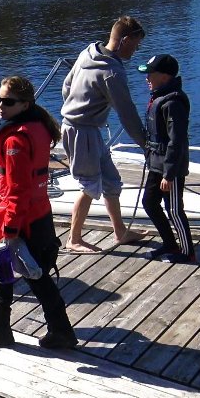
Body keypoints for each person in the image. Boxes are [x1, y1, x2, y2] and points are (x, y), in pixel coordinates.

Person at [0, 76, 78, 350]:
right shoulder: (38, 127)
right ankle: (59, 331)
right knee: (36, 275)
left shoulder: (14, 139)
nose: (0, 107)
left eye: (8, 102)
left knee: (5, 273)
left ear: (25, 104)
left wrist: (10, 229)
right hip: (40, 214)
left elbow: (18, 188)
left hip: (20, 218)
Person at [60, 15, 150, 254]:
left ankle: (120, 232)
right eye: (136, 43)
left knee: (110, 181)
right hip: (82, 132)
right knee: (89, 185)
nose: (137, 49)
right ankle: (74, 238)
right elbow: (126, 112)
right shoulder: (111, 73)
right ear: (124, 40)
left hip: (83, 128)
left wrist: (74, 108)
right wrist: (145, 144)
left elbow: (66, 86)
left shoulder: (88, 52)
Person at [137, 54, 196, 264]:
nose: (146, 79)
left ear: (163, 76)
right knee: (149, 203)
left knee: (174, 210)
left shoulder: (173, 102)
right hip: (156, 164)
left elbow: (176, 141)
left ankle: (187, 252)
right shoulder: (159, 96)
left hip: (171, 168)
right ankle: (169, 243)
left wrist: (169, 173)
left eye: (150, 74)